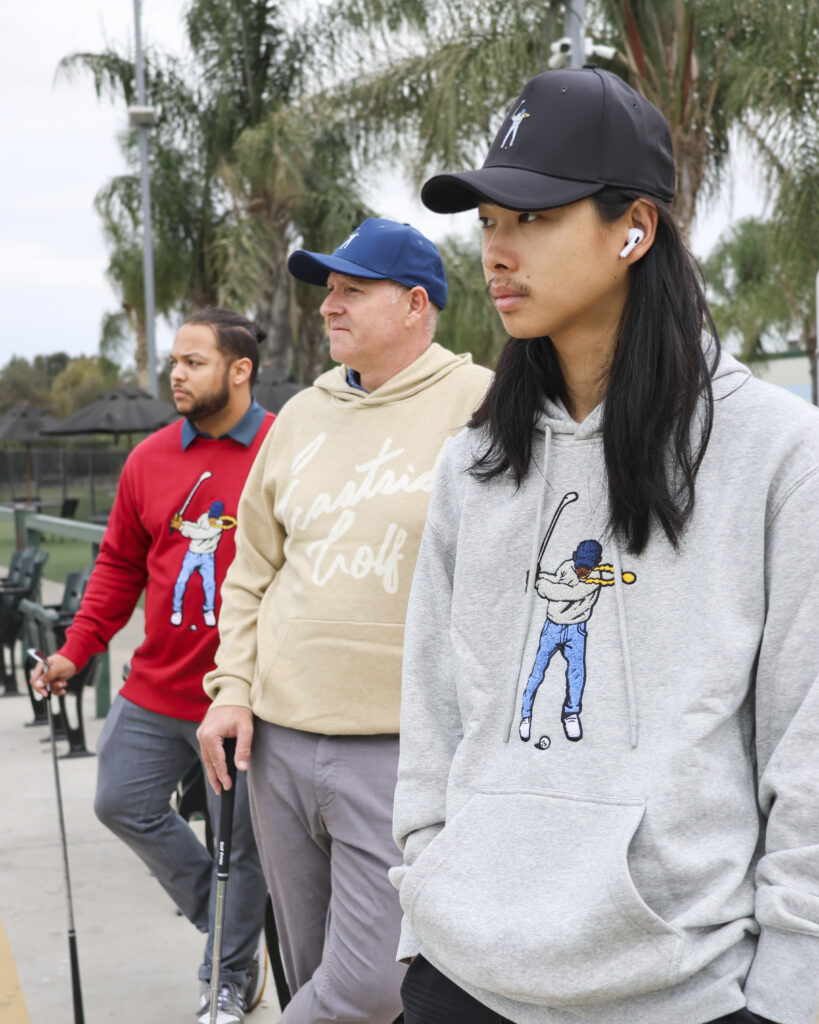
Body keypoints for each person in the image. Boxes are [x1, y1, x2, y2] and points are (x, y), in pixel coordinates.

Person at [390, 66, 819, 1024]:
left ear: (633, 228)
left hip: (680, 991)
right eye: (488, 221)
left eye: (533, 218)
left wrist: (793, 989)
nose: (497, 252)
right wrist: (423, 904)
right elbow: (434, 708)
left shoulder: (778, 456)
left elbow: (809, 744)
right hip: (460, 976)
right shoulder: (474, 463)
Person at [196, 217, 492, 1024]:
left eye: (353, 291)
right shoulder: (299, 416)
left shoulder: (483, 402)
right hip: (279, 739)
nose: (330, 306)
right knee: (308, 969)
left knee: (369, 986)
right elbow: (253, 569)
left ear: (415, 305)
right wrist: (231, 689)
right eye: (329, 290)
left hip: (399, 748)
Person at [31, 309, 273, 1024]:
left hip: (245, 698)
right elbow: (117, 567)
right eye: (174, 360)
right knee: (119, 801)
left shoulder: (283, 450)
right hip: (156, 686)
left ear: (239, 370)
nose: (175, 373)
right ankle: (231, 926)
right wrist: (77, 650)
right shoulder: (150, 460)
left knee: (240, 850)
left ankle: (227, 979)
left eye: (193, 361)